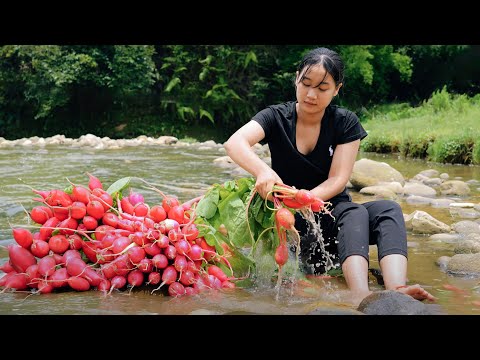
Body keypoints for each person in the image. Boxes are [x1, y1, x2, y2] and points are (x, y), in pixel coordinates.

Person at [224, 47, 435, 303]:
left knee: (388, 209)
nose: (311, 94)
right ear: (296, 78)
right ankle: (360, 294)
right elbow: (235, 142)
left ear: (336, 89)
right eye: (306, 83)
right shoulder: (276, 116)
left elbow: (337, 180)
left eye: (323, 88)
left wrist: (305, 197)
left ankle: (397, 289)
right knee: (356, 211)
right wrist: (263, 170)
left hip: (332, 217)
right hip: (292, 222)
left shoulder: (345, 122)